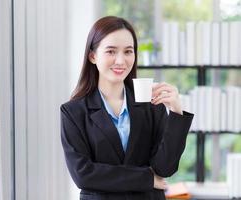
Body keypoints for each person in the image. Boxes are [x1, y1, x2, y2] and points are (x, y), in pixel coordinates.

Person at [60, 16, 193, 200]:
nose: (121, 61)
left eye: (128, 51)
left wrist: (176, 113)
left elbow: (164, 168)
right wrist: (147, 178)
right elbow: (84, 174)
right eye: (111, 51)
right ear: (93, 56)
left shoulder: (151, 105)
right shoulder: (73, 111)